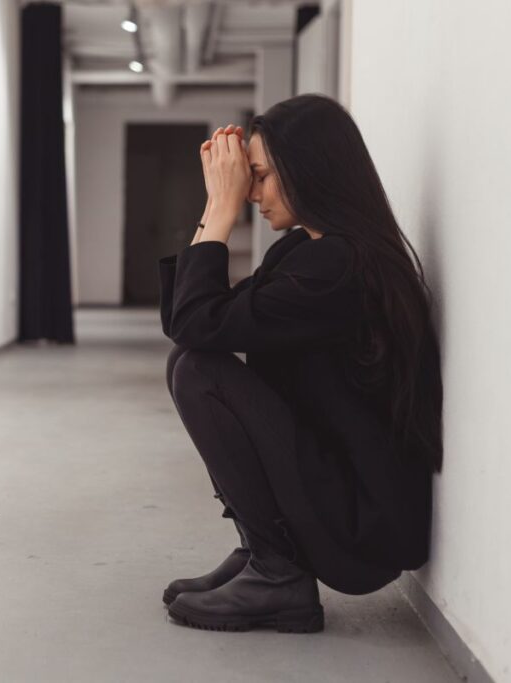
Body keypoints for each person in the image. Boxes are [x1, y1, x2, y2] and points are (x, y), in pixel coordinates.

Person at [157, 94, 443, 633]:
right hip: (335, 485)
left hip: (363, 526)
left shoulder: (336, 267)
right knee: (188, 362)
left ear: (308, 172)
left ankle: (278, 572)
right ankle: (264, 553)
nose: (252, 194)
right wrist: (212, 205)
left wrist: (221, 208)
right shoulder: (302, 253)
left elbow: (198, 326)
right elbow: (190, 321)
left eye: (260, 177)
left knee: (197, 370)